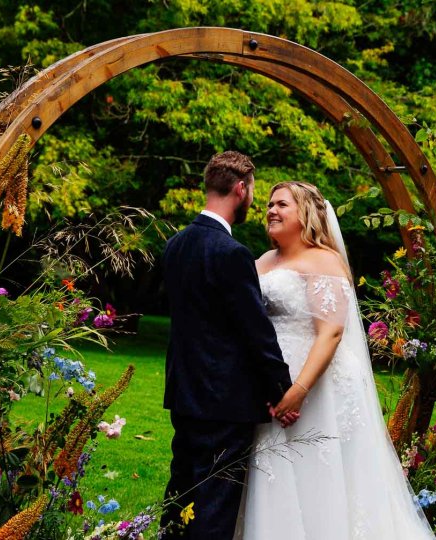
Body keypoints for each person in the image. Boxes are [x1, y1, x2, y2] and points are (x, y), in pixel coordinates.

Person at [236, 181, 436, 539]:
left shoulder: (324, 261)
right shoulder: (263, 261)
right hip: (268, 384)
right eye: (268, 204)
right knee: (274, 471)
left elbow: (330, 332)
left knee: (316, 472)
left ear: (306, 213)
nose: (270, 210)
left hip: (316, 387)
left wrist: (299, 390)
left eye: (281, 204)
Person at [161, 151, 298, 539]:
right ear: (241, 188)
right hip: (225, 401)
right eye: (254, 191)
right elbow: (256, 332)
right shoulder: (232, 254)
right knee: (215, 507)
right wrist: (281, 390)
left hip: (184, 394)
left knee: (180, 495)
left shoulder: (176, 245)